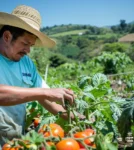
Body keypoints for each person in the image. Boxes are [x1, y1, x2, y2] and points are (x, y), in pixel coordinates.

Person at [0, 5, 79, 147]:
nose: (28, 50)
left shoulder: (26, 63)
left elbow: (46, 98)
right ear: (7, 36)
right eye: (25, 43)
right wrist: (44, 92)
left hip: (12, 141)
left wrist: (74, 118)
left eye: (31, 45)